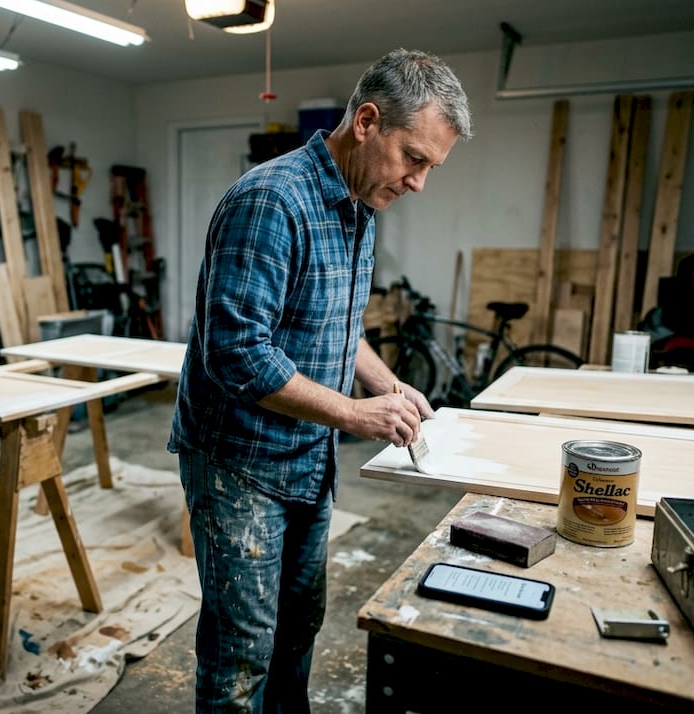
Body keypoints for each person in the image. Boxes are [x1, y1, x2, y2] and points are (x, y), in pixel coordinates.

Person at [168, 48, 473, 711]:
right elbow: (237, 353)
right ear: (366, 122)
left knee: (299, 627)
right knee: (241, 652)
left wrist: (388, 386)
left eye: (431, 168)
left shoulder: (360, 203)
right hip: (239, 465)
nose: (419, 182)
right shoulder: (271, 201)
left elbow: (337, 325)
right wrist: (356, 416)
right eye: (414, 159)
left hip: (308, 457)